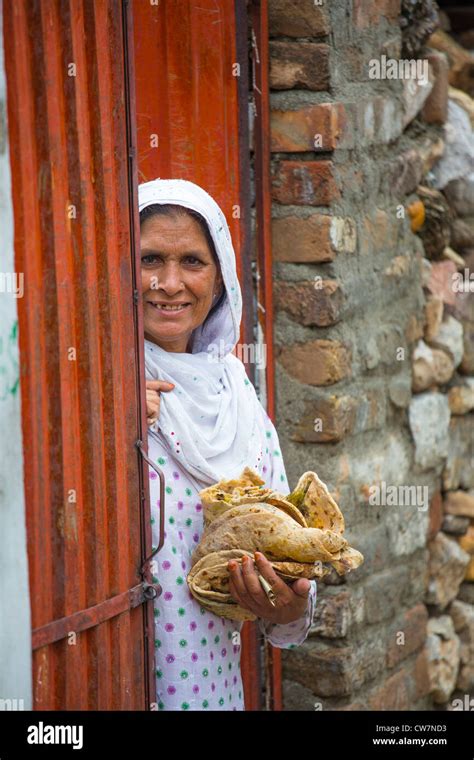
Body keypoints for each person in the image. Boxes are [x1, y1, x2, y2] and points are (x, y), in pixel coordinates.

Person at [139, 178, 317, 711]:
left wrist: (286, 607)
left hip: (206, 691)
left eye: (192, 261)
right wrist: (107, 416)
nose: (169, 284)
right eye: (149, 258)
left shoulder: (237, 399)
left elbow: (290, 548)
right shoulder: (83, 390)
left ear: (220, 281)